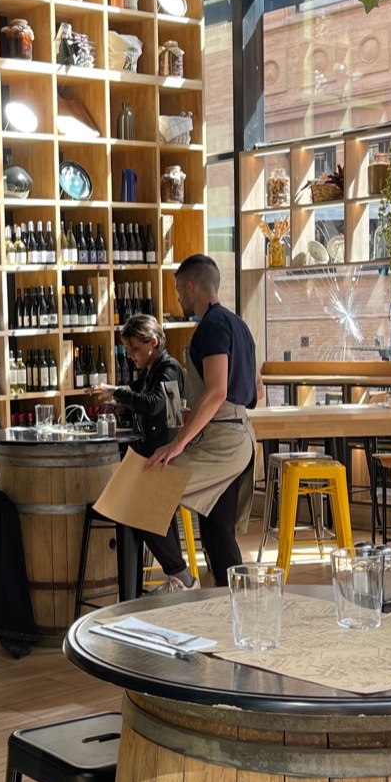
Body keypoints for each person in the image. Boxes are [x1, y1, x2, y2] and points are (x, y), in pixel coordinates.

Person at [144, 253, 257, 581]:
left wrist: (178, 443)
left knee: (145, 493)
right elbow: (255, 390)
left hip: (222, 444)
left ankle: (182, 580)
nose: (178, 297)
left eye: (179, 289)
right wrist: (200, 413)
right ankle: (237, 600)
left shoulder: (211, 326)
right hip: (238, 436)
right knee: (217, 531)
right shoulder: (239, 325)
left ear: (191, 286)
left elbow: (218, 391)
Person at [100, 313, 196, 591]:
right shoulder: (154, 370)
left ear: (153, 343)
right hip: (158, 456)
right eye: (128, 350)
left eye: (135, 349)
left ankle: (183, 578)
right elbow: (157, 405)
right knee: (151, 516)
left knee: (141, 513)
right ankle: (178, 580)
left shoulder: (168, 368)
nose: (130, 356)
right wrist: (123, 406)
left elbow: (154, 404)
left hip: (166, 457)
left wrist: (117, 392)